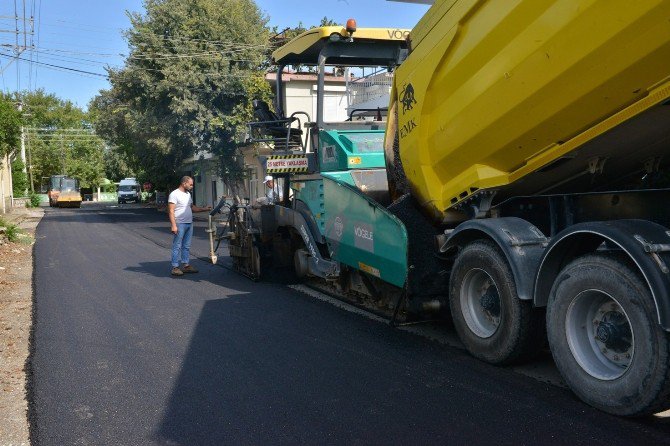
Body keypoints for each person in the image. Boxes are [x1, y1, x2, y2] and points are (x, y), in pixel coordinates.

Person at [168, 176, 211, 276]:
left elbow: (193, 208)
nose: (192, 186)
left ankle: (186, 265)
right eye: (190, 184)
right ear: (184, 183)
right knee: (177, 245)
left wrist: (205, 209)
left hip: (189, 223)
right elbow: (171, 211)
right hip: (179, 224)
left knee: (186, 246)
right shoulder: (174, 194)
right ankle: (175, 267)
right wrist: (173, 225)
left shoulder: (188, 194)